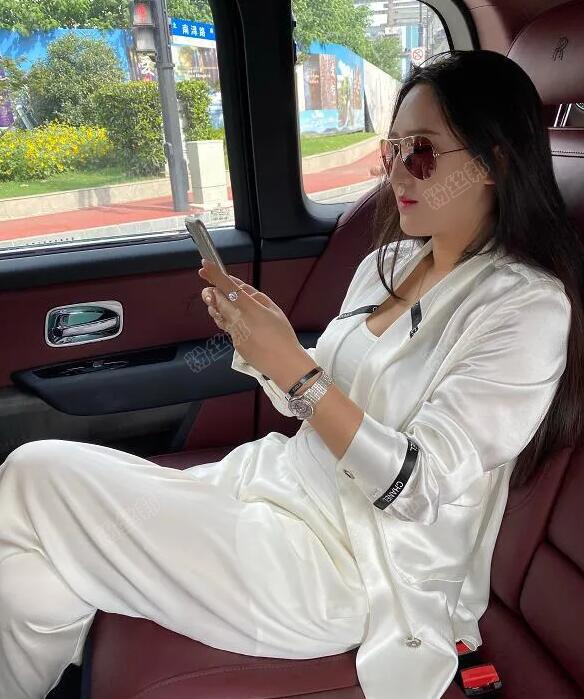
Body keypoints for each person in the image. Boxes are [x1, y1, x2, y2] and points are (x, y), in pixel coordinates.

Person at [1, 49, 583, 699]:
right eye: (392, 149)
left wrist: (296, 368)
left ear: (492, 163)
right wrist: (262, 341)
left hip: (346, 566)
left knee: (33, 474)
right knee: (34, 558)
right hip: (273, 484)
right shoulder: (394, 261)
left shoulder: (525, 307)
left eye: (421, 151)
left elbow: (418, 487)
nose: (396, 170)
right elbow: (321, 396)